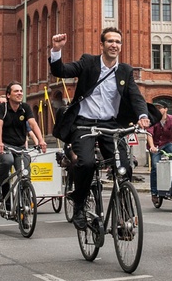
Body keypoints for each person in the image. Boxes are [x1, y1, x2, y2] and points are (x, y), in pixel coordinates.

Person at [49, 28, 151, 230]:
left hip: (110, 124)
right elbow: (61, 71)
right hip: (84, 123)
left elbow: (135, 96)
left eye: (118, 42)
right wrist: (56, 50)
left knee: (124, 166)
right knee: (86, 163)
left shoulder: (125, 71)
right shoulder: (88, 62)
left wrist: (143, 115)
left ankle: (124, 216)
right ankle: (79, 205)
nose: (115, 45)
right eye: (110, 41)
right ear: (102, 45)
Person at [0, 82, 48, 202]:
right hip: (5, 146)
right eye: (16, 91)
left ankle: (24, 201)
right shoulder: (2, 108)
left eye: (21, 91)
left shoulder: (25, 107)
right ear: (8, 95)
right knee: (8, 161)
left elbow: (33, 124)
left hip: (20, 146)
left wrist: (41, 140)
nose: (20, 93)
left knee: (25, 174)